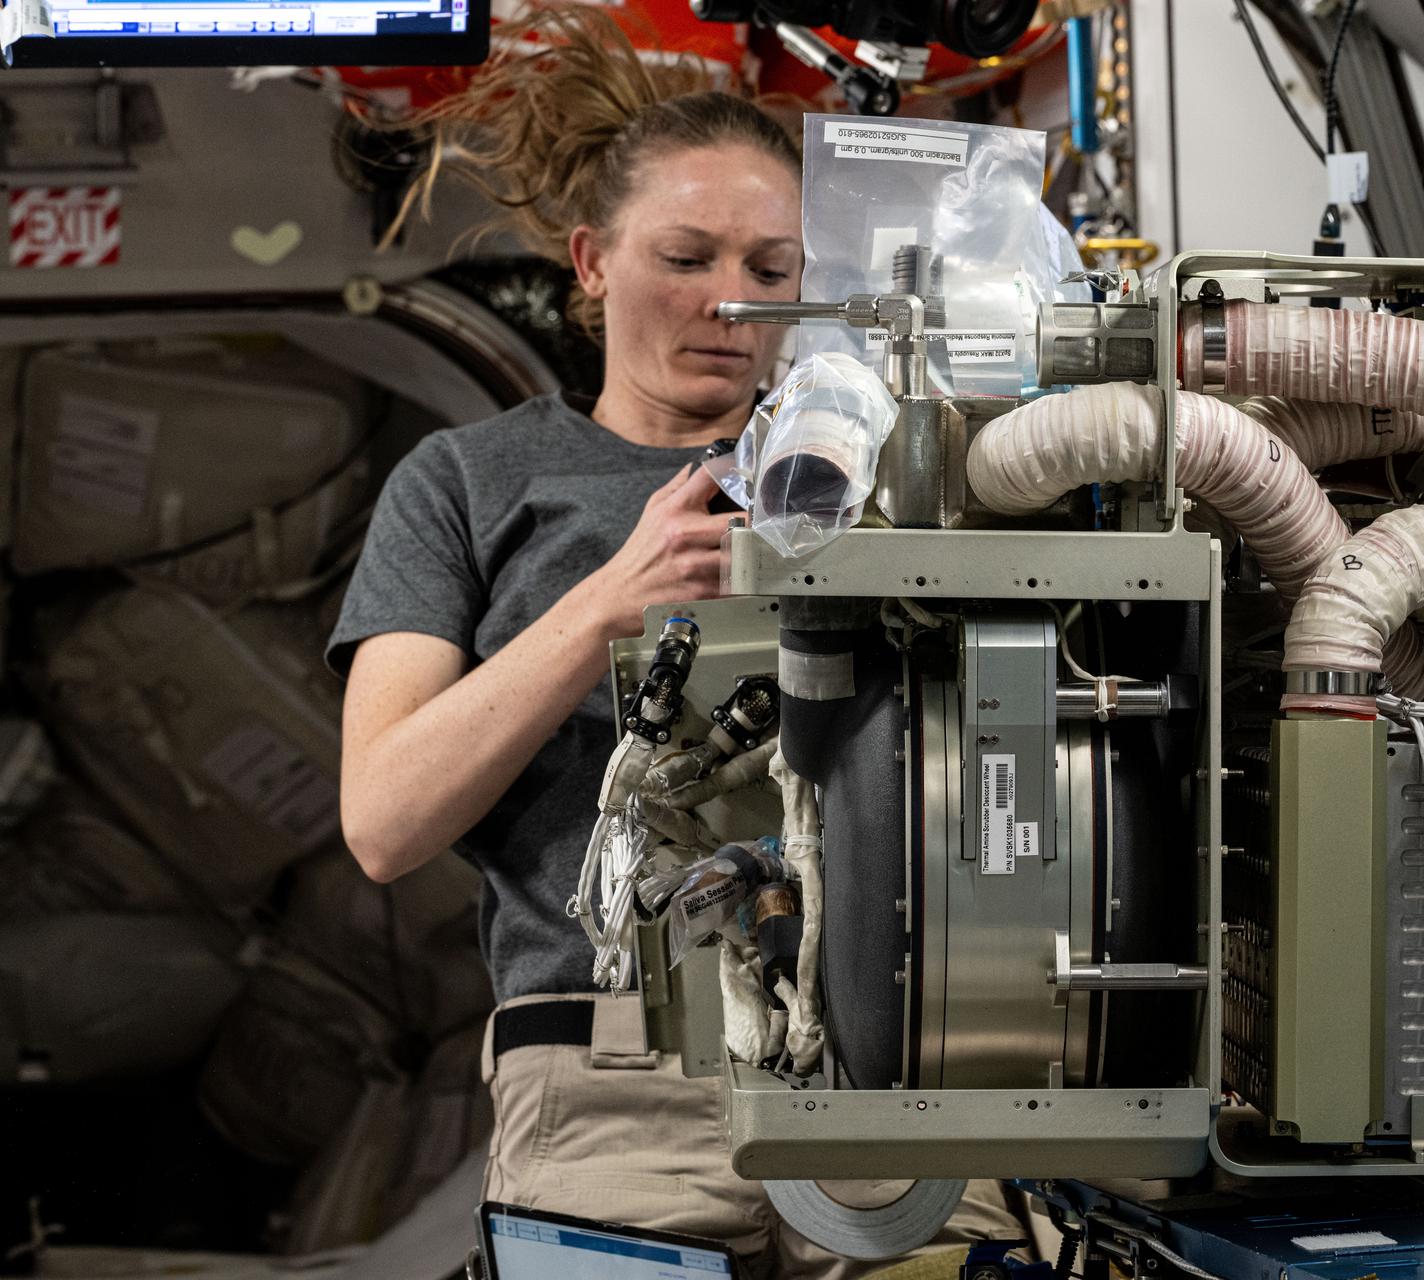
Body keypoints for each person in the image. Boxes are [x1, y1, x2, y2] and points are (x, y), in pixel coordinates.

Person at [325, 8, 1023, 1274]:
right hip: (609, 1077)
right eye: (686, 256)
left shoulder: (888, 476)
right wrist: (607, 601)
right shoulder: (470, 482)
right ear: (591, 262)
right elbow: (383, 817)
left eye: (771, 267)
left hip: (892, 1059)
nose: (729, 300)